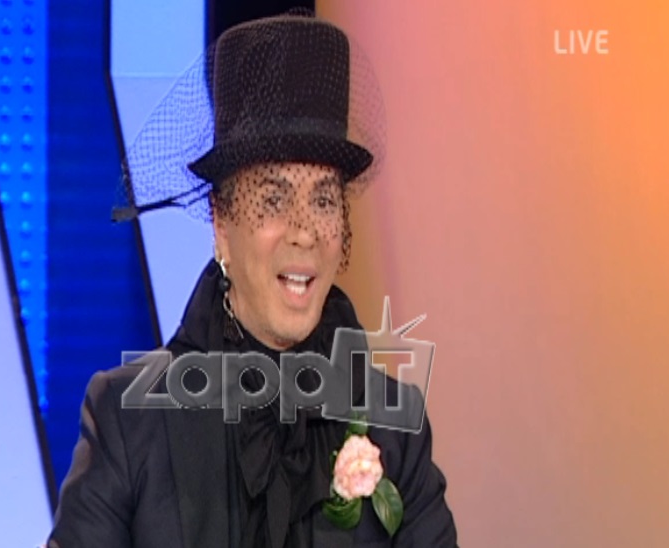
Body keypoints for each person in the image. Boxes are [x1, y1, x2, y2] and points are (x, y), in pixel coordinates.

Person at [48, 12, 457, 548]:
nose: (304, 233)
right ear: (221, 224)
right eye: (273, 200)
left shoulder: (395, 427)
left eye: (323, 200)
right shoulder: (127, 418)